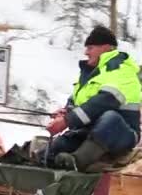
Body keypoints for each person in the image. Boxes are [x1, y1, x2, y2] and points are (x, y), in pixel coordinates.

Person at [45, 25, 141, 172]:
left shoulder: (121, 69)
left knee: (110, 118)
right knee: (59, 146)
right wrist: (67, 111)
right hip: (92, 131)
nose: (86, 52)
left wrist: (67, 121)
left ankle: (78, 161)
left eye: (90, 48)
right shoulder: (92, 73)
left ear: (106, 48)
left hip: (120, 134)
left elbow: (104, 102)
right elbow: (78, 101)